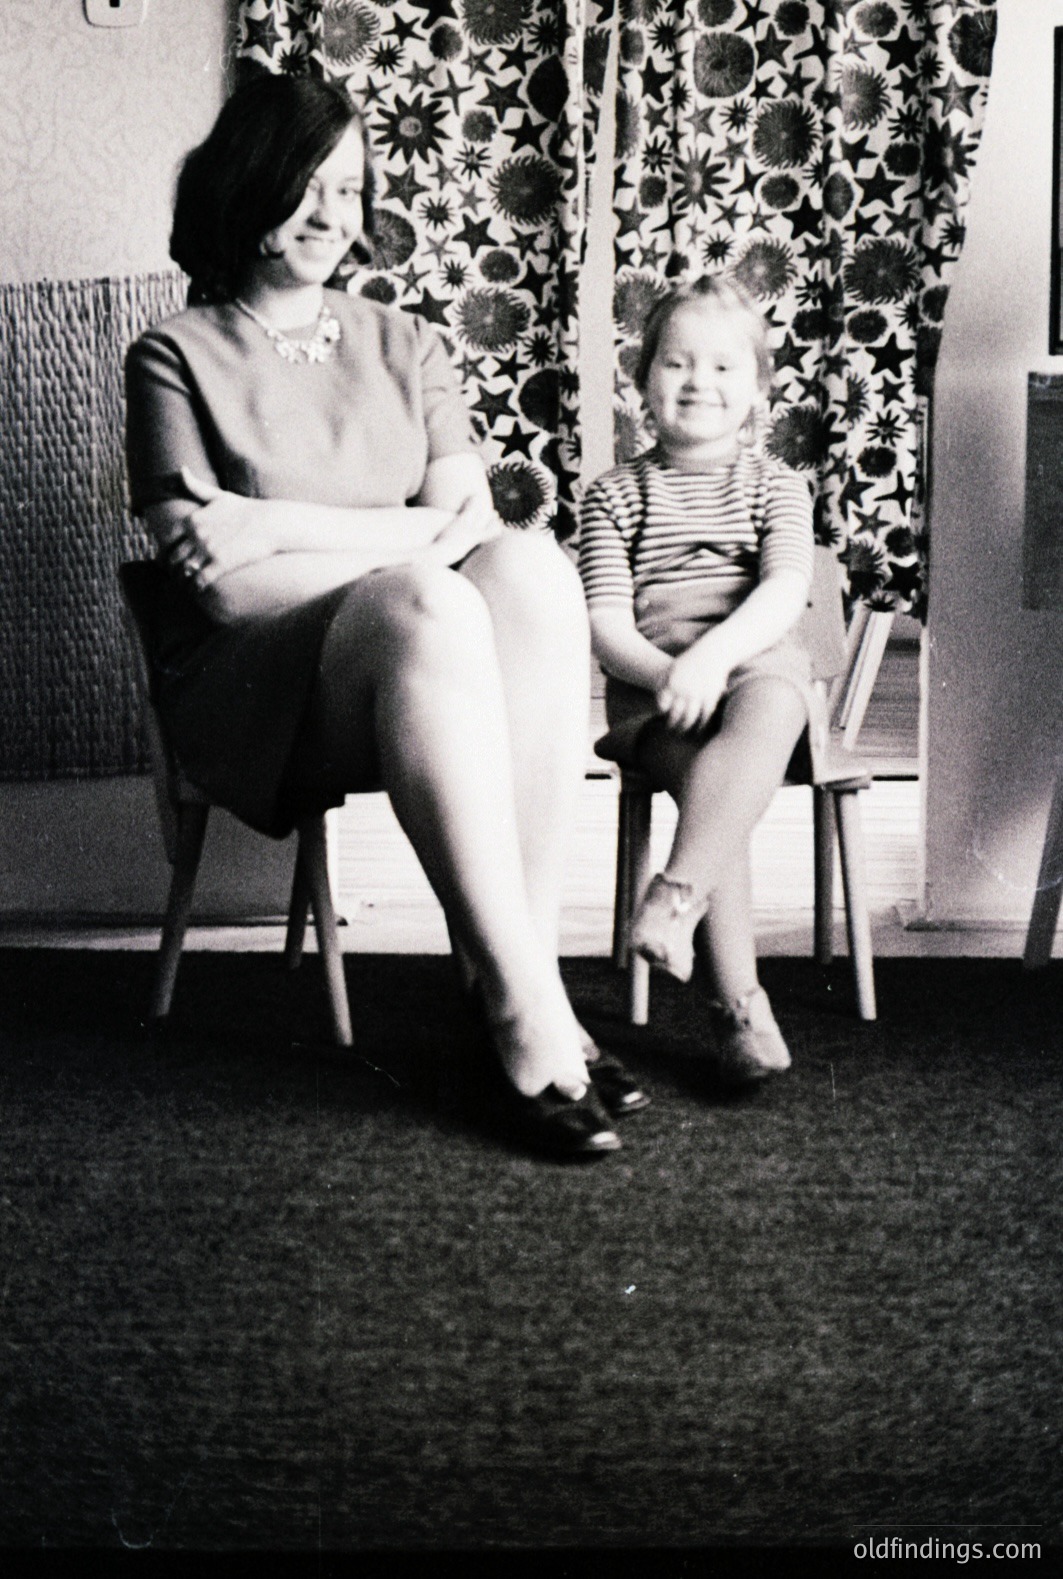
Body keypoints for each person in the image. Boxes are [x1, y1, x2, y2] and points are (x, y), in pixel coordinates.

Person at [125, 72, 648, 1156]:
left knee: (533, 571)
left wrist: (273, 526)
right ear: (246, 188)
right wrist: (400, 542)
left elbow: (469, 521)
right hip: (260, 685)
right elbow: (221, 587)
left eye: (350, 189)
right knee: (428, 595)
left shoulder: (404, 342)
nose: (331, 214)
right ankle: (517, 1012)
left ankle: (524, 973)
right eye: (305, 187)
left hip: (414, 660)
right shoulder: (172, 355)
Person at [578, 276, 815, 1084]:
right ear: (640, 381)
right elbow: (607, 625)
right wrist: (674, 673)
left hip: (753, 666)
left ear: (756, 390)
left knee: (770, 706)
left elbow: (783, 590)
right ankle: (735, 1007)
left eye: (722, 368)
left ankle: (674, 899)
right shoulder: (613, 495)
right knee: (715, 796)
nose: (697, 383)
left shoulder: (775, 485)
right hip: (658, 689)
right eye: (675, 364)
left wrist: (715, 659)